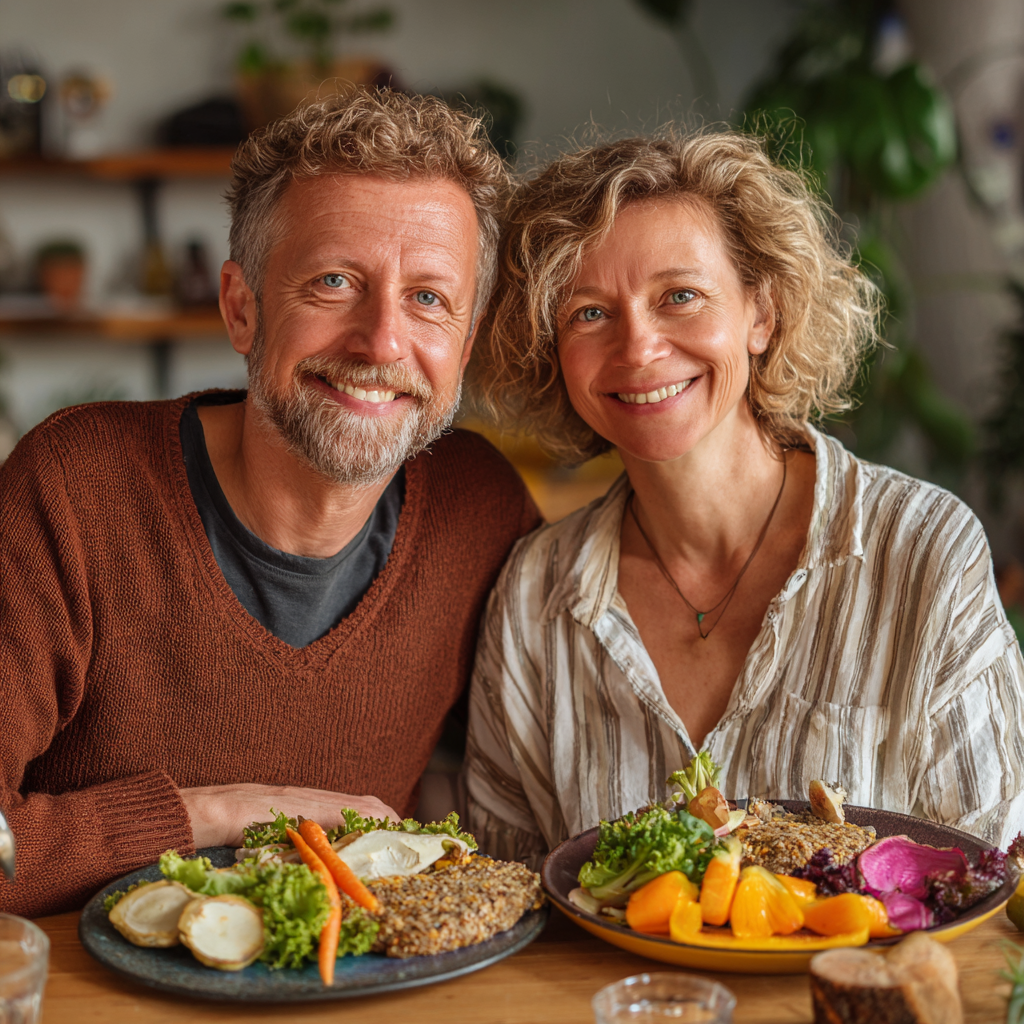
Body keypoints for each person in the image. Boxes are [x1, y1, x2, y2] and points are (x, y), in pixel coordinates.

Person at [0, 90, 540, 917]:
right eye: (333, 282)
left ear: (464, 348)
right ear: (241, 307)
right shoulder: (74, 490)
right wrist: (209, 814)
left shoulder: (479, 509)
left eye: (429, 298)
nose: (383, 342)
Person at [463, 130, 1024, 867]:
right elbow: (512, 907)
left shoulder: (922, 548)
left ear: (761, 312)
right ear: (550, 348)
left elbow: (998, 879)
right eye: (589, 313)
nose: (638, 348)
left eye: (681, 296)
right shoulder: (533, 597)